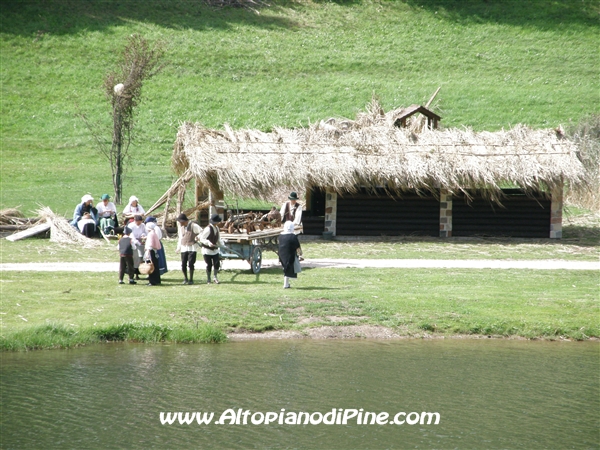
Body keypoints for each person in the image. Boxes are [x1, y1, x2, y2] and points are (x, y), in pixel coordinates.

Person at [175, 213, 202, 285]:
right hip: (184, 248)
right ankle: (185, 278)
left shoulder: (194, 226)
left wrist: (198, 237)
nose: (180, 223)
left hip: (192, 247)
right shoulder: (181, 228)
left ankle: (191, 279)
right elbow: (180, 238)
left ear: (184, 221)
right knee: (183, 264)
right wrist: (178, 248)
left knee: (191, 264)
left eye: (180, 222)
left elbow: (202, 232)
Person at [200, 214, 224, 285]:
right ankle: (208, 279)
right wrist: (208, 243)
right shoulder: (208, 229)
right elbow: (202, 239)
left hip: (215, 250)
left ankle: (215, 277)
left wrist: (223, 245)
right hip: (207, 250)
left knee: (217, 263)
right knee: (209, 264)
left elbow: (218, 238)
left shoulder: (217, 228)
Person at [278, 221, 302, 289]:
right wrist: (300, 255)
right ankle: (285, 284)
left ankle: (286, 284)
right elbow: (298, 247)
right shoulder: (293, 236)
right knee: (288, 269)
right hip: (290, 255)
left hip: (281, 254)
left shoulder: (280, 236)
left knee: (285, 268)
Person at [127, 215, 146, 280]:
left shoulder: (143, 225)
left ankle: (139, 273)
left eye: (140, 222)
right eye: (137, 222)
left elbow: (144, 232)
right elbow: (131, 236)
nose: (139, 223)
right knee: (134, 258)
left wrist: (143, 236)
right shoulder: (131, 226)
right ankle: (132, 273)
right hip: (133, 242)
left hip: (140, 241)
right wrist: (138, 242)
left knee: (141, 257)